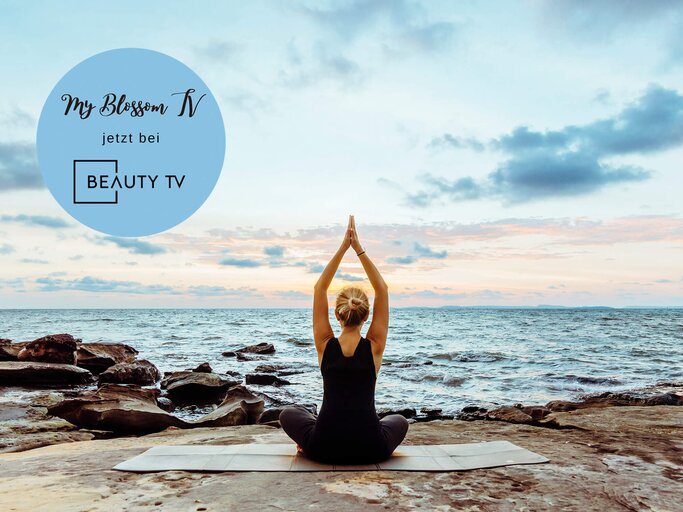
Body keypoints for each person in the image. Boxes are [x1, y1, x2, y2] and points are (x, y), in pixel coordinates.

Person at [279, 215, 409, 464]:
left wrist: (343, 247)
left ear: (336, 314)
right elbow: (382, 289)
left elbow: (319, 288)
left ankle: (311, 437)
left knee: (289, 413)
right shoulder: (374, 347)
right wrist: (358, 249)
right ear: (367, 315)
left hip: (323, 447)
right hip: (371, 447)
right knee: (399, 421)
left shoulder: (324, 344)